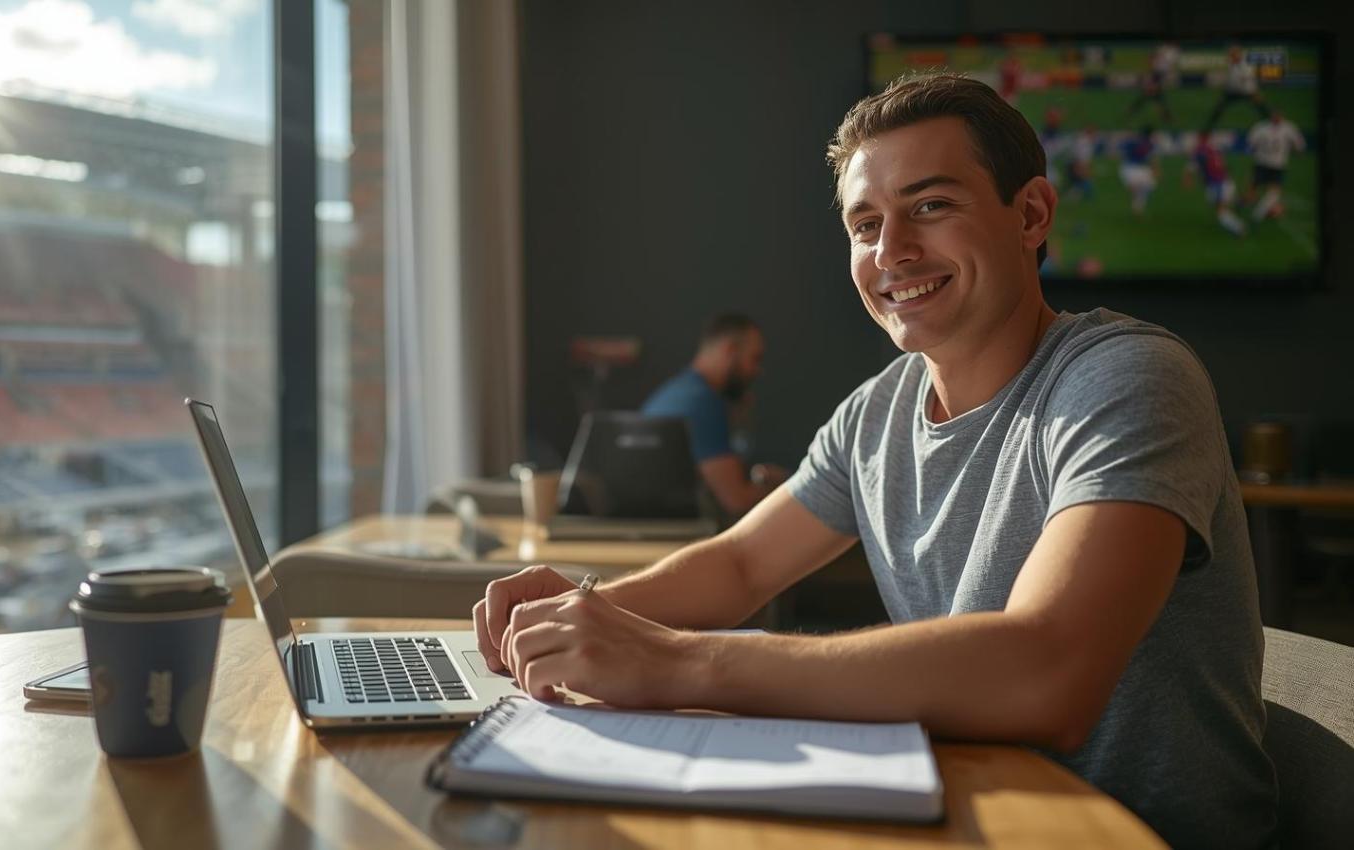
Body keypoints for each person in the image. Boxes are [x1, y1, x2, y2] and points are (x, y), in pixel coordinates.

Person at [474, 73, 1276, 849]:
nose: (892, 251)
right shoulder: (878, 412)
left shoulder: (1127, 376)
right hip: (965, 812)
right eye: (865, 225)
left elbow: (1047, 674)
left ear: (1031, 213)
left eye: (931, 206)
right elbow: (741, 565)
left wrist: (678, 662)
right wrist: (577, 621)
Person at [639, 314, 788, 518]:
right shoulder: (704, 403)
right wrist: (784, 486)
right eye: (754, 359)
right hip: (677, 526)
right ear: (730, 350)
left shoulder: (671, 393)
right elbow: (737, 500)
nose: (757, 371)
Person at [1245, 109, 1306, 222]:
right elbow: (1299, 143)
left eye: (1277, 116)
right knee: (1256, 185)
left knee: (1272, 189)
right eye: (1274, 115)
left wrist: (1299, 150)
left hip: (1277, 164)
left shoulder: (1285, 127)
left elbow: (1251, 142)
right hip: (1264, 162)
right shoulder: (1266, 127)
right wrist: (1299, 151)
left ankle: (1266, 209)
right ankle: (1259, 206)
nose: (1276, 118)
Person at [1190, 134, 1247, 236]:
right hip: (1225, 181)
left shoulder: (1200, 151)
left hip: (1218, 184)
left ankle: (1239, 228)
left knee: (1220, 211)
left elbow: (1195, 165)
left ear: (1201, 139)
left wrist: (1190, 176)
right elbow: (1223, 165)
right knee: (1220, 206)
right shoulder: (1214, 149)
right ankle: (1238, 202)